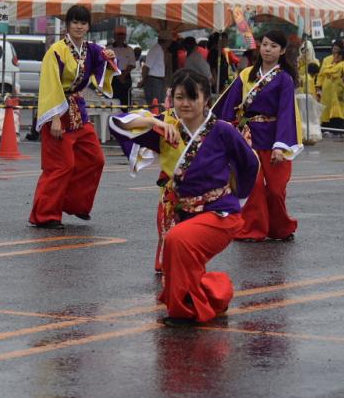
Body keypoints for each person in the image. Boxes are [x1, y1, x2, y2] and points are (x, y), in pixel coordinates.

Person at [110, 69, 259, 326]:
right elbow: (117, 123)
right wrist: (154, 123)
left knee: (179, 240)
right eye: (179, 97)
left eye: (192, 97)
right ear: (171, 99)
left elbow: (250, 164)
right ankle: (215, 294)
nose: (186, 103)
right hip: (180, 211)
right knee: (177, 257)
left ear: (206, 100)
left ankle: (182, 312)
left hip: (219, 212)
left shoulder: (222, 130)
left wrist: (239, 200)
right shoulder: (166, 128)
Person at [29, 5, 119, 229]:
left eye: (83, 23)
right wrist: (55, 119)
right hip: (57, 111)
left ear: (88, 26)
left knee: (95, 158)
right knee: (61, 166)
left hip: (78, 110)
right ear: (68, 25)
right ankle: (45, 214)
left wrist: (110, 58)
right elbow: (49, 84)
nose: (79, 26)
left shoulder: (91, 49)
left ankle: (75, 204)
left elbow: (105, 68)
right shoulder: (56, 51)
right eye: (75, 22)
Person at [215, 29, 302, 242]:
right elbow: (229, 106)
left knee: (275, 189)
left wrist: (280, 146)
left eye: (273, 46)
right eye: (264, 44)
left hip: (274, 138)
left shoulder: (284, 79)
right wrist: (224, 134)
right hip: (248, 137)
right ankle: (252, 230)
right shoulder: (246, 75)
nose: (267, 49)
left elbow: (286, 112)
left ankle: (280, 228)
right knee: (252, 185)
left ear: (282, 51)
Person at [317, 40, 344, 138]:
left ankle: (338, 130)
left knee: (337, 109)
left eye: (337, 50)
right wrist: (318, 86)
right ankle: (327, 128)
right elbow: (321, 74)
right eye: (333, 49)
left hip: (337, 90)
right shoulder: (327, 59)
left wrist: (342, 81)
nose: (334, 52)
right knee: (326, 109)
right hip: (327, 89)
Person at [139, 32, 169, 110]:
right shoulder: (155, 49)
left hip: (158, 80)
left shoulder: (160, 50)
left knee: (159, 104)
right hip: (153, 80)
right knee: (155, 104)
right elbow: (146, 67)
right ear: (166, 41)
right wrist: (143, 80)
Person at [110, 26, 136, 111]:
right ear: (114, 35)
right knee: (113, 99)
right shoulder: (109, 48)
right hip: (113, 77)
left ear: (125, 36)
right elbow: (107, 63)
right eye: (118, 35)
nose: (120, 37)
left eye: (122, 35)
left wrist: (123, 75)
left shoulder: (129, 49)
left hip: (126, 77)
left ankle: (126, 118)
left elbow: (132, 64)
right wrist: (117, 75)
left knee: (126, 99)